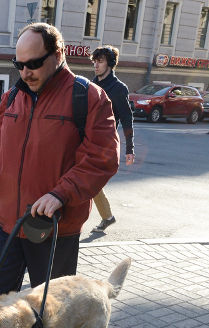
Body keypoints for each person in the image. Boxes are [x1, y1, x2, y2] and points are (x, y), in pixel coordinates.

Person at [0, 22, 119, 297]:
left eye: (35, 64)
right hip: (8, 224)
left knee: (51, 311)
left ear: (59, 53)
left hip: (55, 229)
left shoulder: (89, 97)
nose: (26, 73)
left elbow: (103, 158)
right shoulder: (12, 96)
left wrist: (61, 193)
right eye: (19, 65)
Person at [90, 45, 135, 233]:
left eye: (100, 61)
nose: (96, 65)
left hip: (104, 142)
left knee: (88, 178)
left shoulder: (118, 88)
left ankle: (106, 217)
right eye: (95, 61)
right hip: (88, 138)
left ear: (110, 64)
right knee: (88, 179)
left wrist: (130, 149)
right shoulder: (92, 84)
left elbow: (127, 118)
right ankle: (107, 217)